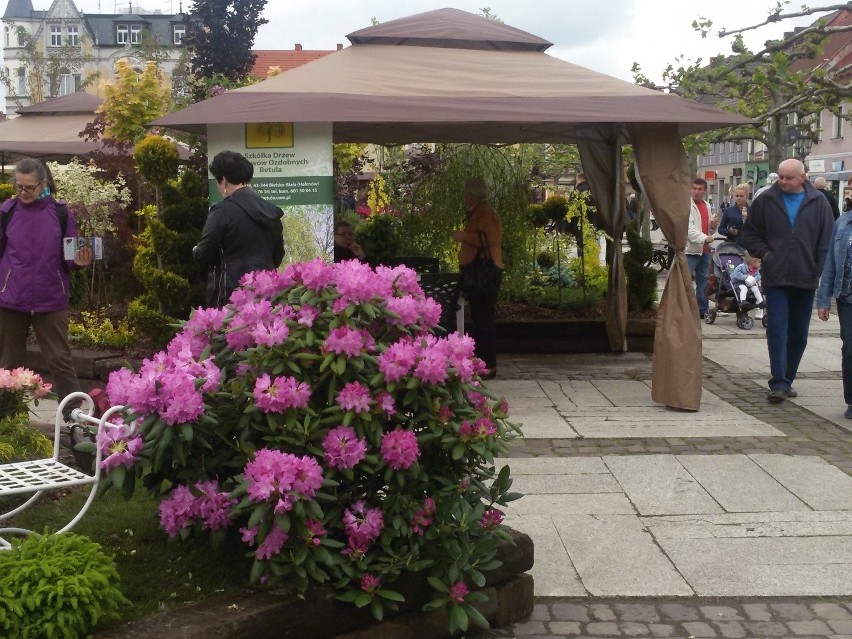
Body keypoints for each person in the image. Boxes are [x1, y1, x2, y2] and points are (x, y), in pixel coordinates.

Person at [0, 158, 92, 406]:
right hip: (12, 299)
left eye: (29, 187)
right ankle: (8, 422)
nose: (23, 192)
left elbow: (69, 257)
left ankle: (75, 421)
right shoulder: (6, 212)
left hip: (51, 299)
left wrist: (78, 262)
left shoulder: (61, 213)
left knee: (60, 361)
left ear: (44, 184)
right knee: (9, 365)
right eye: (18, 186)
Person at [742, 158, 834, 403]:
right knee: (777, 328)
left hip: (806, 276)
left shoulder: (819, 203)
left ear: (802, 177)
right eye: (780, 177)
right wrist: (766, 254)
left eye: (788, 177)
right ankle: (779, 382)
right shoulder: (765, 200)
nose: (783, 181)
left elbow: (826, 240)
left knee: (799, 333)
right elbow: (749, 233)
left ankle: (788, 378)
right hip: (776, 275)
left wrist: (820, 268)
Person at [193, 150, 285, 308]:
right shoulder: (269, 211)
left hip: (232, 298)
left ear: (224, 180)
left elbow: (203, 254)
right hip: (266, 297)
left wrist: (195, 249)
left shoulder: (222, 212)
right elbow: (277, 256)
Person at [452, 177, 502, 380]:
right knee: (482, 318)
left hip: (483, 273)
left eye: (466, 194)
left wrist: (463, 237)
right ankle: (484, 362)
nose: (464, 198)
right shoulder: (483, 211)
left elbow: (489, 239)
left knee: (483, 319)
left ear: (472, 195)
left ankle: (487, 364)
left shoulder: (484, 213)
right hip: (482, 271)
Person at [816, 206, 852, 418]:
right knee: (850, 348)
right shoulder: (842, 223)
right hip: (847, 297)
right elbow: (830, 263)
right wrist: (824, 300)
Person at [686, 177, 717, 319]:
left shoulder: (707, 205)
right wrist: (704, 238)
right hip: (690, 251)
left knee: (703, 282)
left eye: (699, 189)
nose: (696, 192)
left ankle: (702, 311)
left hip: (704, 251)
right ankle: (685, 311)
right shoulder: (687, 205)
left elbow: (708, 225)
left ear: (705, 191)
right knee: (685, 282)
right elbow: (689, 229)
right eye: (694, 188)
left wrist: (713, 226)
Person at [730, 253, 765, 319]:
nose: (760, 264)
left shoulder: (756, 270)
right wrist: (746, 277)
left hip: (750, 284)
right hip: (739, 283)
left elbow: (758, 276)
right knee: (744, 288)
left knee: (755, 288)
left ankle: (761, 301)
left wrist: (754, 279)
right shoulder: (741, 267)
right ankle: (743, 301)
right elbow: (736, 274)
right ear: (752, 262)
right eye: (759, 262)